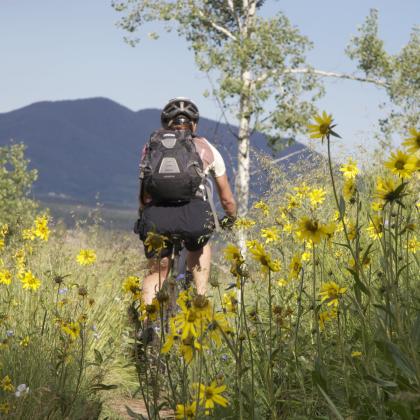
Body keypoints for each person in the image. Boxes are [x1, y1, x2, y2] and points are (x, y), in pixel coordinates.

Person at [136, 97, 237, 317]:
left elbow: (144, 193)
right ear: (194, 124)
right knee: (200, 243)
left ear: (166, 123)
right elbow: (227, 198)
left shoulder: (151, 146)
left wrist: (142, 216)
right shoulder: (206, 147)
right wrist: (230, 218)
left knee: (158, 272)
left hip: (157, 216)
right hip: (194, 216)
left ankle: (147, 323)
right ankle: (200, 302)